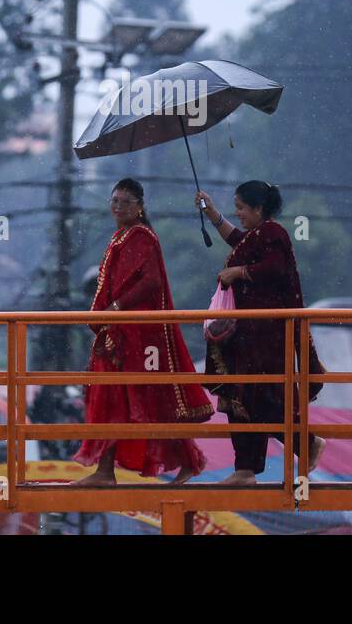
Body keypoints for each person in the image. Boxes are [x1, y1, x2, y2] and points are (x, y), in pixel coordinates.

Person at [73, 178, 213, 485]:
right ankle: (105, 471)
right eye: (114, 200)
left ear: (140, 207)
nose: (118, 207)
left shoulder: (141, 237)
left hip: (137, 335)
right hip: (119, 331)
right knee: (114, 398)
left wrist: (117, 308)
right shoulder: (121, 237)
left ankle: (188, 462)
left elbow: (150, 282)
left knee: (147, 399)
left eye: (126, 202)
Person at [196, 181, 327, 485]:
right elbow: (238, 240)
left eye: (241, 207)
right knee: (239, 397)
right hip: (247, 338)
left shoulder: (274, 233)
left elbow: (275, 268)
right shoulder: (257, 236)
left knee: (262, 399)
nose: (237, 213)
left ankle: (306, 444)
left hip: (265, 339)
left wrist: (236, 272)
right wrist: (213, 214)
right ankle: (245, 469)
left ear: (258, 209)